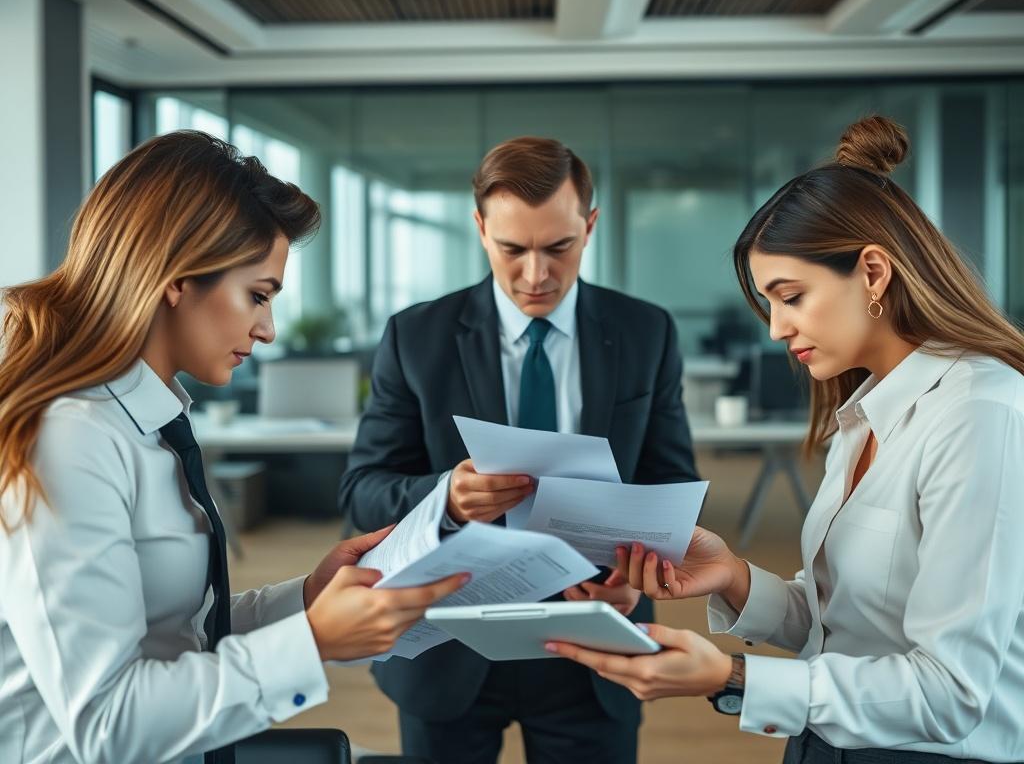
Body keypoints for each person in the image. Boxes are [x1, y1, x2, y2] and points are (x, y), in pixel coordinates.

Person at [547, 115, 1024, 763]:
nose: (775, 328)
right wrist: (735, 578)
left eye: (791, 296)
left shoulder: (981, 412)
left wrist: (732, 677)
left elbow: (951, 692)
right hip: (827, 742)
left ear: (875, 274)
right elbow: (847, 629)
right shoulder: (864, 415)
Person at [0, 131, 467, 764]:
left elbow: (177, 635)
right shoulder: (71, 439)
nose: (269, 328)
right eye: (258, 295)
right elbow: (107, 725)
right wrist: (312, 642)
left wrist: (307, 600)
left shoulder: (147, 422)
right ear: (178, 279)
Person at [338, 136, 699, 763]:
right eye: (513, 249)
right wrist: (444, 498)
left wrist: (632, 577)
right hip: (448, 646)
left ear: (590, 225)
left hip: (593, 645)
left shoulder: (646, 332)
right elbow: (361, 491)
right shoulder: (415, 336)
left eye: (559, 247)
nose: (537, 275)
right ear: (480, 229)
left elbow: (671, 484)